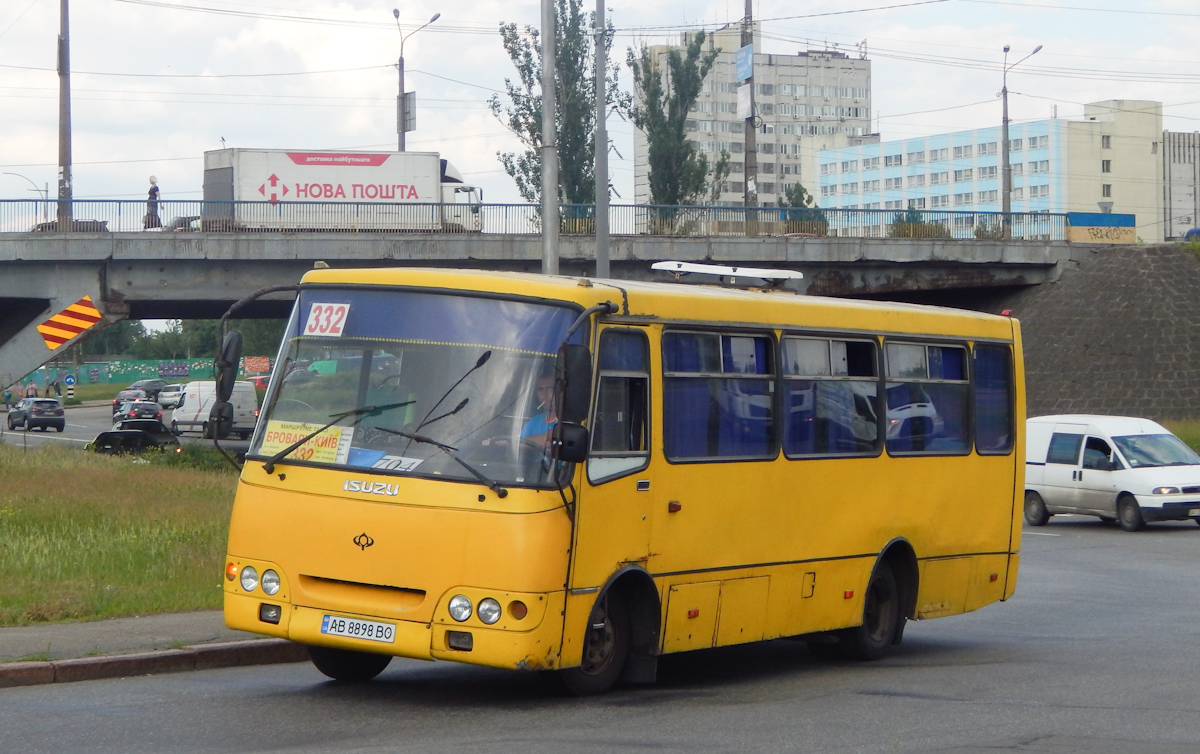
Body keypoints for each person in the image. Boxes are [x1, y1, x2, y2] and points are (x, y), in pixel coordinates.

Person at [520, 370, 559, 447]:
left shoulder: (567, 420)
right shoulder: (534, 421)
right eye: (540, 389)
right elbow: (517, 442)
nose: (545, 394)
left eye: (550, 388)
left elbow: (547, 440)